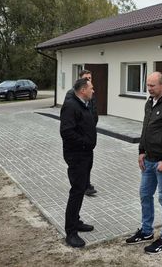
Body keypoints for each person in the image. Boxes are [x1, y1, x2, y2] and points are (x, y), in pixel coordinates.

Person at [125, 72, 162, 255]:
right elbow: (146, 128)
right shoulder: (149, 102)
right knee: (145, 194)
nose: (149, 88)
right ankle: (146, 231)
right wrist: (141, 151)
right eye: (147, 85)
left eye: (152, 85)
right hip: (148, 160)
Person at [60, 77, 97, 247]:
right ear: (83, 90)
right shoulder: (71, 105)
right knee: (76, 191)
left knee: (81, 189)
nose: (93, 90)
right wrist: (84, 142)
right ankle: (71, 232)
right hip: (77, 155)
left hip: (86, 153)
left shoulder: (83, 104)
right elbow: (66, 132)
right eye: (91, 88)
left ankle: (76, 221)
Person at [65, 69, 98, 196]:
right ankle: (80, 185)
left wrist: (92, 125)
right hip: (78, 141)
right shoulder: (71, 95)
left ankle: (86, 184)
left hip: (88, 138)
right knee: (77, 166)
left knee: (88, 164)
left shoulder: (91, 93)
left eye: (90, 78)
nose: (88, 80)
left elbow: (93, 110)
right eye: (86, 78)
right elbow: (68, 125)